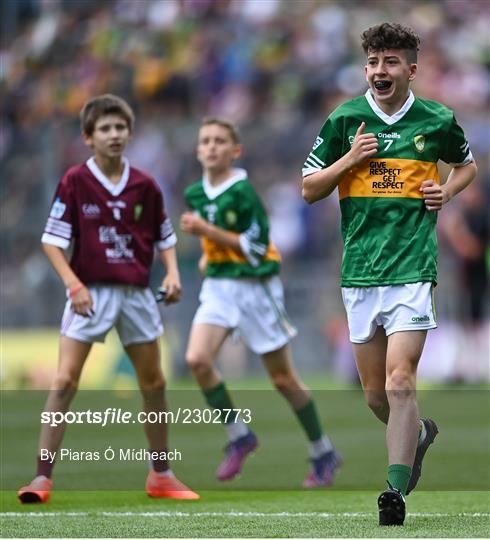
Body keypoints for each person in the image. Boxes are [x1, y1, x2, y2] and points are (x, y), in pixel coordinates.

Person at [301, 22, 477, 526]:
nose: (381, 70)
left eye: (391, 61)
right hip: (359, 274)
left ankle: (394, 493)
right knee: (376, 396)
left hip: (412, 271)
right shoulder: (345, 120)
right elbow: (309, 187)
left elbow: (466, 166)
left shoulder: (438, 119)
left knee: (401, 381)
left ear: (411, 69)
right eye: (374, 62)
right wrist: (349, 160)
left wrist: (448, 190)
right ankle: (418, 435)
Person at [18, 94, 199, 503]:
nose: (114, 135)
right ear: (88, 137)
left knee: (154, 383)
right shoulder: (74, 182)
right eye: (105, 129)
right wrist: (74, 285)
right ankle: (41, 479)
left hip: (136, 295)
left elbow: (165, 237)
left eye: (120, 128)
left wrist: (171, 273)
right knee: (64, 381)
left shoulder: (145, 185)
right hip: (90, 293)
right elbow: (52, 242)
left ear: (129, 133)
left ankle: (161, 475)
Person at [180, 117, 340, 487]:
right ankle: (240, 435)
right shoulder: (195, 193)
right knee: (197, 360)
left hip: (257, 288)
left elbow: (255, 246)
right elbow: (217, 241)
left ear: (235, 151)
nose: (212, 146)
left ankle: (322, 450)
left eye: (220, 141)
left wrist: (207, 233)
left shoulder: (244, 192)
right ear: (198, 149)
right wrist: (209, 254)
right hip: (220, 287)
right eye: (206, 140)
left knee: (283, 379)